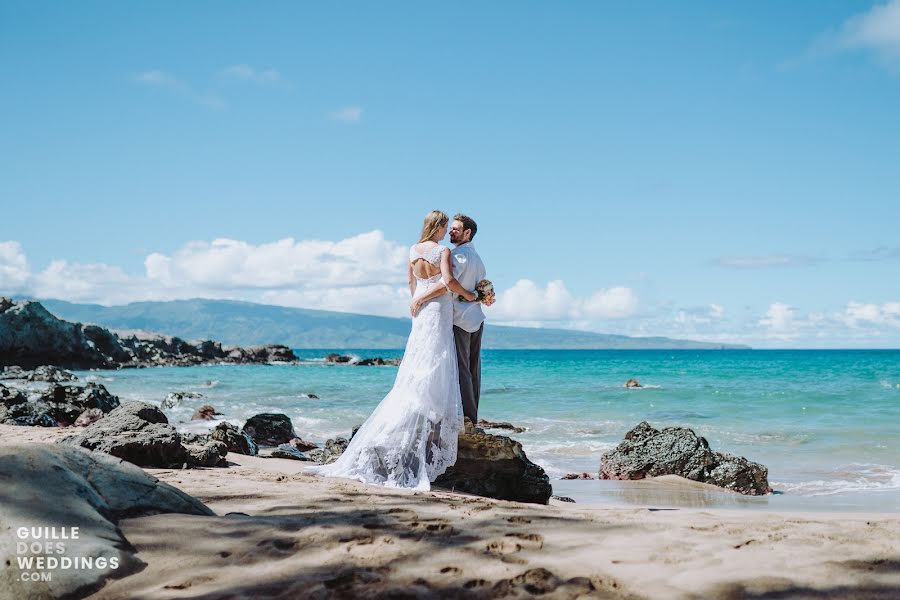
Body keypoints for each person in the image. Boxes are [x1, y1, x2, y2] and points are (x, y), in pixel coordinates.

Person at [306, 210, 476, 490]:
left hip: (420, 312)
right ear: (437, 227)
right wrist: (469, 295)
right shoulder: (442, 252)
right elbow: (447, 284)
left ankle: (417, 406)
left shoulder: (412, 250)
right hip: (436, 310)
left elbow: (411, 282)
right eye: (445, 227)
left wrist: (417, 301)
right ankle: (428, 410)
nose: (447, 232)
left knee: (419, 358)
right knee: (437, 358)